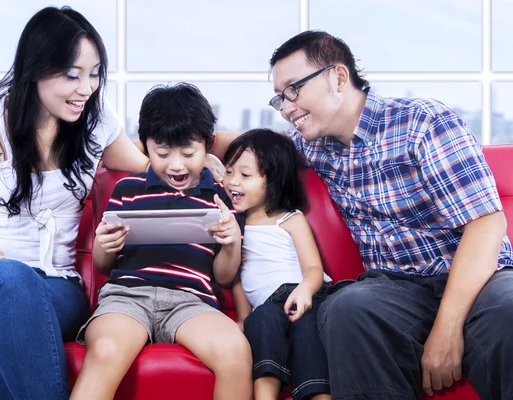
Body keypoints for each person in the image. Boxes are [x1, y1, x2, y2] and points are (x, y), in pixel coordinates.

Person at [212, 30, 513, 400]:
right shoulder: (313, 145)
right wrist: (171, 144)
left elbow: (486, 223)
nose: (286, 107)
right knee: (347, 308)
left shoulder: (423, 122)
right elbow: (246, 144)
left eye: (294, 90)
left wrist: (447, 329)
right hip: (396, 290)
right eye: (279, 98)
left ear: (338, 77)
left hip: (480, 279)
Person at [0, 6, 152, 400]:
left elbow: (152, 165)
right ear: (36, 68)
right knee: (12, 279)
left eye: (94, 74)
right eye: (72, 74)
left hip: (57, 287)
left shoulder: (95, 126)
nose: (87, 88)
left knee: (12, 324)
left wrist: (213, 150)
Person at [70, 82, 253, 400]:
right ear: (146, 146)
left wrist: (231, 242)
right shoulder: (128, 188)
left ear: (207, 145)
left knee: (235, 350)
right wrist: (104, 243)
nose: (176, 165)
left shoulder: (220, 195)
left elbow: (223, 277)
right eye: (163, 153)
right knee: (107, 350)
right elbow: (103, 264)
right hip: (126, 297)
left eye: (188, 153)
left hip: (191, 301)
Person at [224, 128, 333, 400]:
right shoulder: (232, 227)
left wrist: (305, 291)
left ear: (272, 181)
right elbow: (236, 276)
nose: (233, 182)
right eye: (229, 171)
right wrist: (241, 318)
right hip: (267, 307)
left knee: (307, 329)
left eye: (245, 175)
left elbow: (313, 269)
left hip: (308, 296)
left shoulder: (290, 220)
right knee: (261, 320)